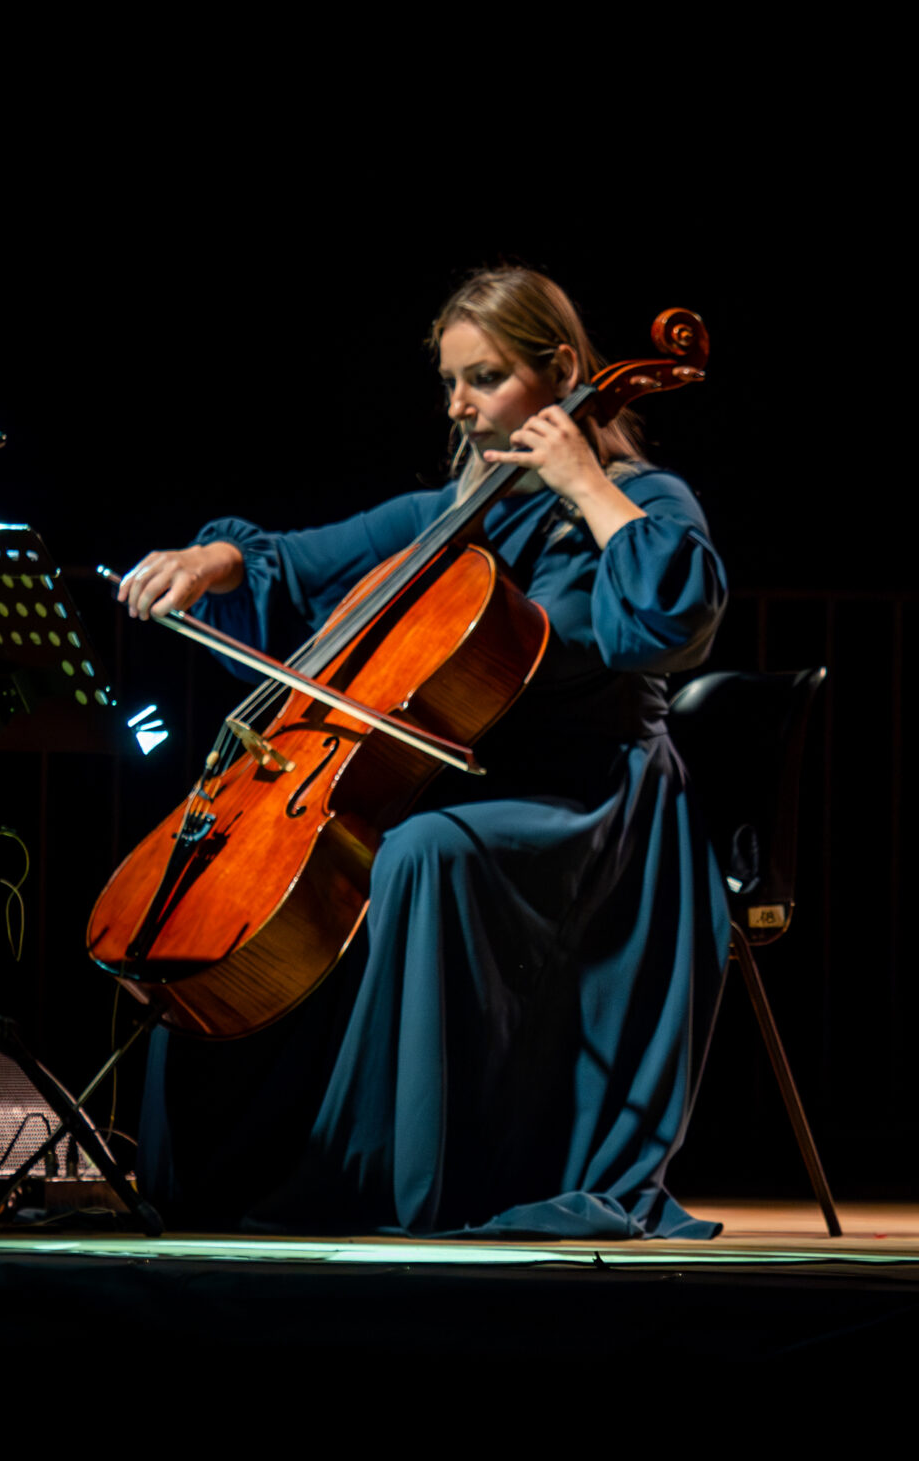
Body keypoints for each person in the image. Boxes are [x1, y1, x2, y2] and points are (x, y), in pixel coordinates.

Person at [113, 266, 732, 1238]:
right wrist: (216, 561)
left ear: (560, 371)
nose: (459, 404)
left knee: (418, 857)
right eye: (450, 380)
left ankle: (406, 1178)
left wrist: (586, 483)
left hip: (587, 807)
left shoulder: (646, 497)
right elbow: (292, 560)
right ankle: (259, 1168)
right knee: (317, 869)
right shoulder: (455, 512)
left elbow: (669, 614)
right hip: (459, 787)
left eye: (482, 377)